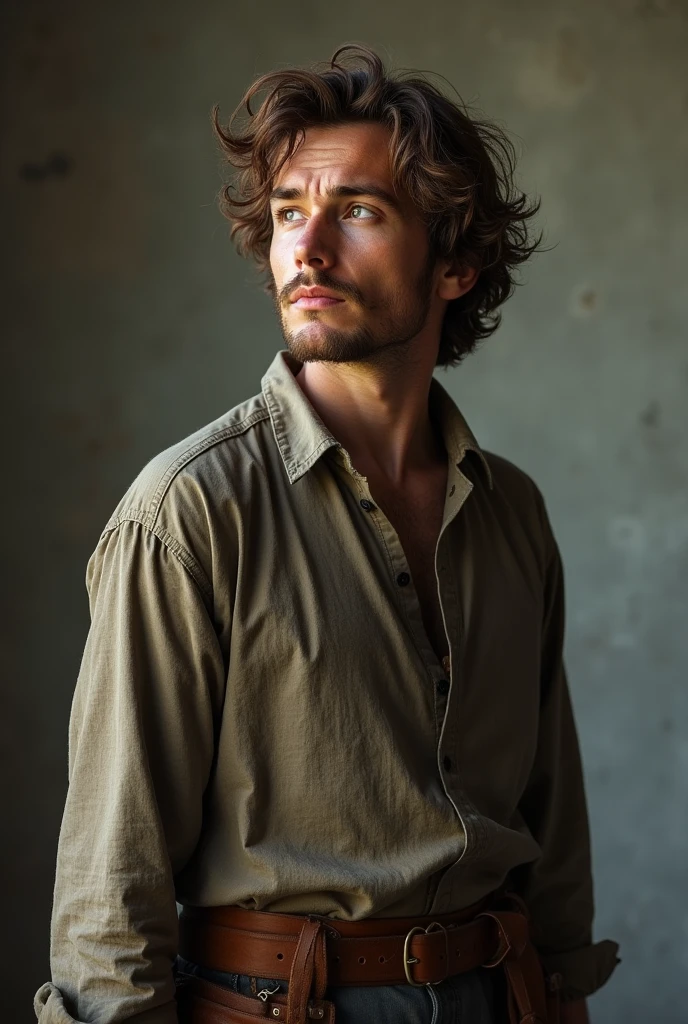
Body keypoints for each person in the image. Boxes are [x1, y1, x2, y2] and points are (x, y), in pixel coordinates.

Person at [35, 44, 619, 1024]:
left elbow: (550, 831)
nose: (306, 248)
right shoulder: (188, 511)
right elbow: (109, 900)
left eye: (356, 210)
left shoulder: (510, 510)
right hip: (282, 1002)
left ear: (457, 262)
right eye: (286, 213)